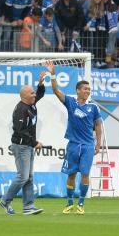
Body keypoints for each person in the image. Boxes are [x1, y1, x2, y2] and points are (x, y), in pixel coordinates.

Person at [46, 61, 102, 215]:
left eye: (89, 89)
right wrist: (52, 74)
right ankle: (70, 202)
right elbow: (56, 90)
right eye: (85, 89)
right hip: (73, 144)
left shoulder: (93, 107)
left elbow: (98, 126)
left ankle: (81, 203)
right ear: (78, 90)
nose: (87, 91)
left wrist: (98, 144)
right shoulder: (70, 102)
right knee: (71, 174)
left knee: (85, 173)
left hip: (88, 146)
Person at [0, 72, 46, 215]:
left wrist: (41, 84)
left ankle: (28, 207)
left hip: (28, 145)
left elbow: (40, 94)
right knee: (23, 176)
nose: (34, 95)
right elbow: (20, 131)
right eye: (32, 93)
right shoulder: (21, 110)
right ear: (25, 96)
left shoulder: (31, 104)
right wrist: (35, 142)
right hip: (21, 146)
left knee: (29, 177)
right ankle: (5, 201)